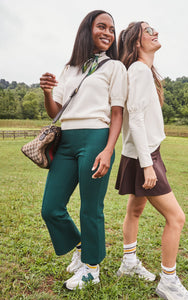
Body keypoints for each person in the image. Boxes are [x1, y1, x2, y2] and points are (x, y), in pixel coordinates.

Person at [40, 10, 127, 290]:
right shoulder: (71, 68)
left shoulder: (115, 67)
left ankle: (92, 268)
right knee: (51, 208)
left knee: (91, 209)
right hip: (66, 140)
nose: (108, 33)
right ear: (86, 29)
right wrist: (47, 92)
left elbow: (117, 114)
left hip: (97, 139)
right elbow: (56, 111)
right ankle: (80, 246)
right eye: (102, 26)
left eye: (112, 29)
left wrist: (108, 149)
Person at [115, 22, 188, 299]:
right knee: (176, 218)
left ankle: (128, 264)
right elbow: (134, 117)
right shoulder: (138, 69)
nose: (155, 33)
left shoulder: (143, 71)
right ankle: (168, 282)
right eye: (148, 30)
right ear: (137, 42)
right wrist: (148, 164)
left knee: (135, 211)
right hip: (142, 156)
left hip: (142, 153)